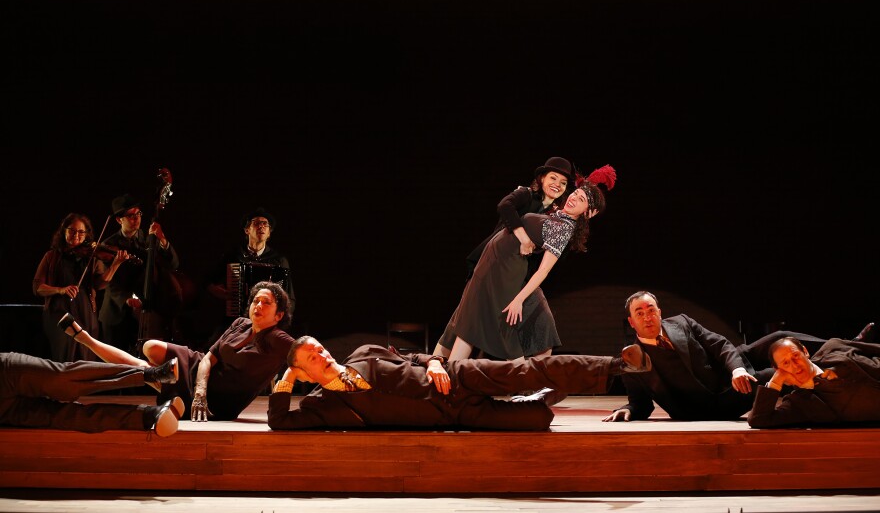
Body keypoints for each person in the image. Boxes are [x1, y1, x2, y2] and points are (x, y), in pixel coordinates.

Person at [266, 335, 652, 431]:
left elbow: (415, 357)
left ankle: (618, 365)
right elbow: (279, 421)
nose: (323, 355)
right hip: (455, 416)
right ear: (304, 373)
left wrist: (435, 362)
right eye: (312, 358)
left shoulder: (364, 353)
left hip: (458, 377)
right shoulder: (321, 406)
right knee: (538, 419)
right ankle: (539, 397)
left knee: (528, 368)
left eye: (320, 349)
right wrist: (287, 376)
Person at [437, 164, 617, 362]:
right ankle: (447, 374)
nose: (573, 198)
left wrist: (519, 299)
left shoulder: (564, 229)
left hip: (506, 270)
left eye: (581, 199)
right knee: (469, 324)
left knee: (487, 329)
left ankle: (513, 376)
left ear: (588, 212)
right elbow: (514, 207)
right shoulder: (557, 215)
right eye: (576, 193)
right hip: (495, 263)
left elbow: (543, 271)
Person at [62, 281, 294, 422]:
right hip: (201, 372)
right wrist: (199, 391)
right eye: (255, 301)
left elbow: (307, 350)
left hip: (218, 398)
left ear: (279, 315)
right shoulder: (241, 323)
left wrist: (293, 379)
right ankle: (90, 341)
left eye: (266, 303)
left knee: (144, 369)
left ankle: (86, 339)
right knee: (150, 347)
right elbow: (209, 358)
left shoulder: (278, 339)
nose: (258, 305)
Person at [603, 291, 829, 422]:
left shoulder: (681, 322)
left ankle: (838, 350)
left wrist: (737, 369)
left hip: (725, 371)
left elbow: (719, 344)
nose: (647, 317)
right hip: (715, 403)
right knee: (779, 372)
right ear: (632, 322)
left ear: (659, 312)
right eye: (640, 313)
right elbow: (641, 404)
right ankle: (828, 386)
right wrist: (629, 410)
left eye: (651, 310)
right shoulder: (632, 360)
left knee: (779, 338)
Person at [0, 351, 182, 437]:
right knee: (69, 418)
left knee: (63, 380)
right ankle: (150, 414)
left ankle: (150, 374)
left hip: (5, 374)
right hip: (4, 411)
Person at [33, 213, 130, 362]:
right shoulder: (51, 256)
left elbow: (99, 284)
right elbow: (37, 287)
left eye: (81, 232)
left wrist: (115, 265)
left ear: (86, 235)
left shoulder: (91, 257)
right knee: (63, 358)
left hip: (85, 312)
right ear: (64, 230)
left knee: (86, 357)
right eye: (72, 230)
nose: (76, 235)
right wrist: (60, 290)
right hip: (59, 313)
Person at [98, 193, 181, 355]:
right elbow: (109, 281)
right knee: (115, 361)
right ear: (119, 220)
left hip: (146, 312)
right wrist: (126, 298)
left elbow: (173, 265)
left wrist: (162, 239)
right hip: (117, 314)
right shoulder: (108, 245)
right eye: (131, 216)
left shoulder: (149, 239)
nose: (136, 219)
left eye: (138, 214)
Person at [204, 207, 295, 344]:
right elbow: (208, 281)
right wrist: (216, 290)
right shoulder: (234, 256)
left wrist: (279, 320)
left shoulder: (279, 261)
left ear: (269, 233)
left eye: (265, 224)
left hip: (266, 322)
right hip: (235, 320)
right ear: (247, 230)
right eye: (257, 223)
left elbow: (289, 297)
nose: (262, 226)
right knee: (214, 344)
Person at [747, 336, 880, 428]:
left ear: (805, 351)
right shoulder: (800, 403)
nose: (795, 365)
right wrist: (775, 381)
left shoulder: (833, 348)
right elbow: (759, 419)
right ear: (778, 370)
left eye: (795, 356)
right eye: (786, 363)